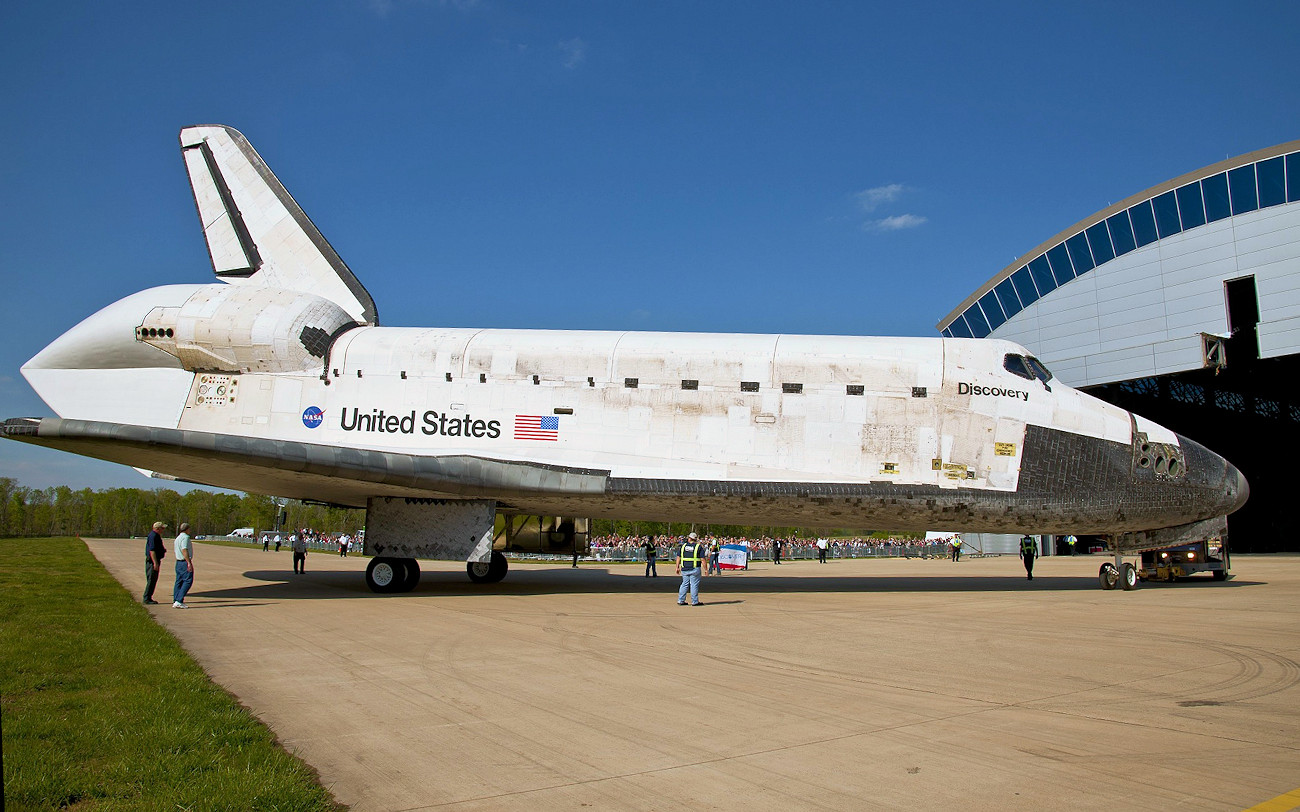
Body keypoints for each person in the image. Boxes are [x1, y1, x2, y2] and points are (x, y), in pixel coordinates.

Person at [676, 532, 707, 606]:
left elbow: (678, 557)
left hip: (685, 568)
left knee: (684, 584)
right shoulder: (698, 547)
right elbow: (703, 559)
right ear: (695, 539)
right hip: (694, 568)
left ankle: (681, 600)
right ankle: (694, 601)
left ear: (689, 538)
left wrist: (677, 567)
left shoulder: (683, 546)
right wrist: (706, 569)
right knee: (694, 585)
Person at [143, 521, 167, 604]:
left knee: (153, 580)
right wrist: (155, 563)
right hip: (152, 561)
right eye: (162, 528)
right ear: (157, 528)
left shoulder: (156, 536)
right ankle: (146, 598)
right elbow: (152, 550)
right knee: (151, 579)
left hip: (154, 560)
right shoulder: (153, 536)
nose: (163, 530)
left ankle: (149, 597)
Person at [173, 522, 194, 608]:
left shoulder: (178, 538)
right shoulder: (185, 538)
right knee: (188, 580)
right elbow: (184, 549)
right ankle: (179, 600)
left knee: (179, 581)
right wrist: (188, 562)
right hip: (184, 561)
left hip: (178, 562)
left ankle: (176, 599)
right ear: (187, 529)